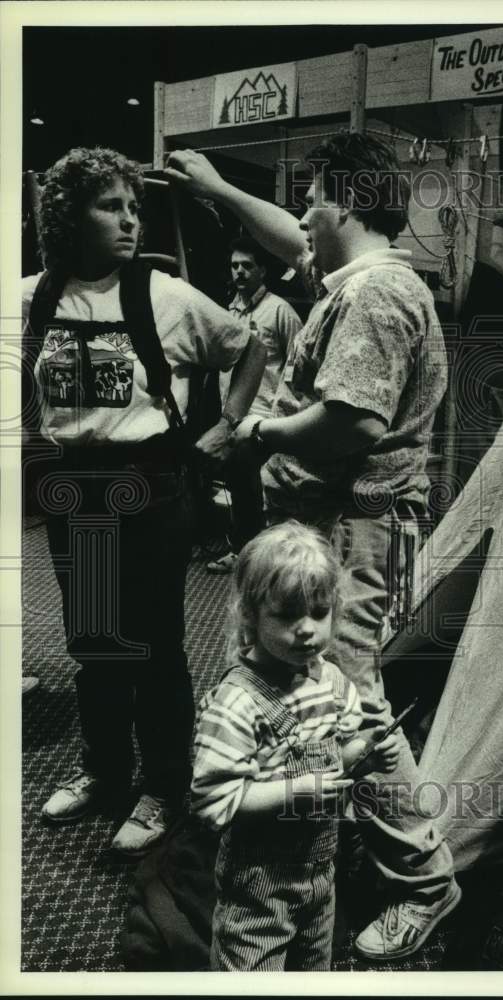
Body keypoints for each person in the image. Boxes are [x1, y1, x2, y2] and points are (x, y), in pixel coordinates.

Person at [167, 132, 460, 960]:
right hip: (344, 526)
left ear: (343, 200)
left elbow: (352, 421)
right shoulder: (362, 280)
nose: (300, 217)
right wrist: (219, 188)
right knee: (329, 688)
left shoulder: (373, 295)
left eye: (310, 199)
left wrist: (257, 428)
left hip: (357, 529)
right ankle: (331, 837)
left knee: (354, 697)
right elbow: (290, 242)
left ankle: (425, 881)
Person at [22, 146, 267, 857]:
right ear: (69, 215)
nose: (130, 220)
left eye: (135, 207)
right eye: (111, 206)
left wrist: (227, 426)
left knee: (155, 644)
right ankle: (104, 770)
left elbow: (247, 345)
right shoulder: (29, 297)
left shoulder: (165, 295)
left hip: (152, 484)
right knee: (96, 640)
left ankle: (165, 784)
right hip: (72, 485)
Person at [192, 521, 400, 970]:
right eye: (287, 615)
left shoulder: (332, 681)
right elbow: (214, 801)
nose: (306, 629)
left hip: (321, 872)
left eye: (319, 612)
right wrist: (295, 791)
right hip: (257, 887)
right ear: (250, 614)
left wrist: (364, 754)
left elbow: (336, 759)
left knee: (313, 970)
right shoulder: (236, 704)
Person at [207, 235, 301, 574]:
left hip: (267, 418)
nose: (240, 273)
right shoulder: (227, 311)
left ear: (263, 270)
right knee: (240, 486)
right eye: (235, 266)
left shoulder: (280, 311)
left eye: (247, 266)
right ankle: (244, 552)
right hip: (233, 416)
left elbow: (299, 364)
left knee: (264, 487)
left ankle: (271, 558)